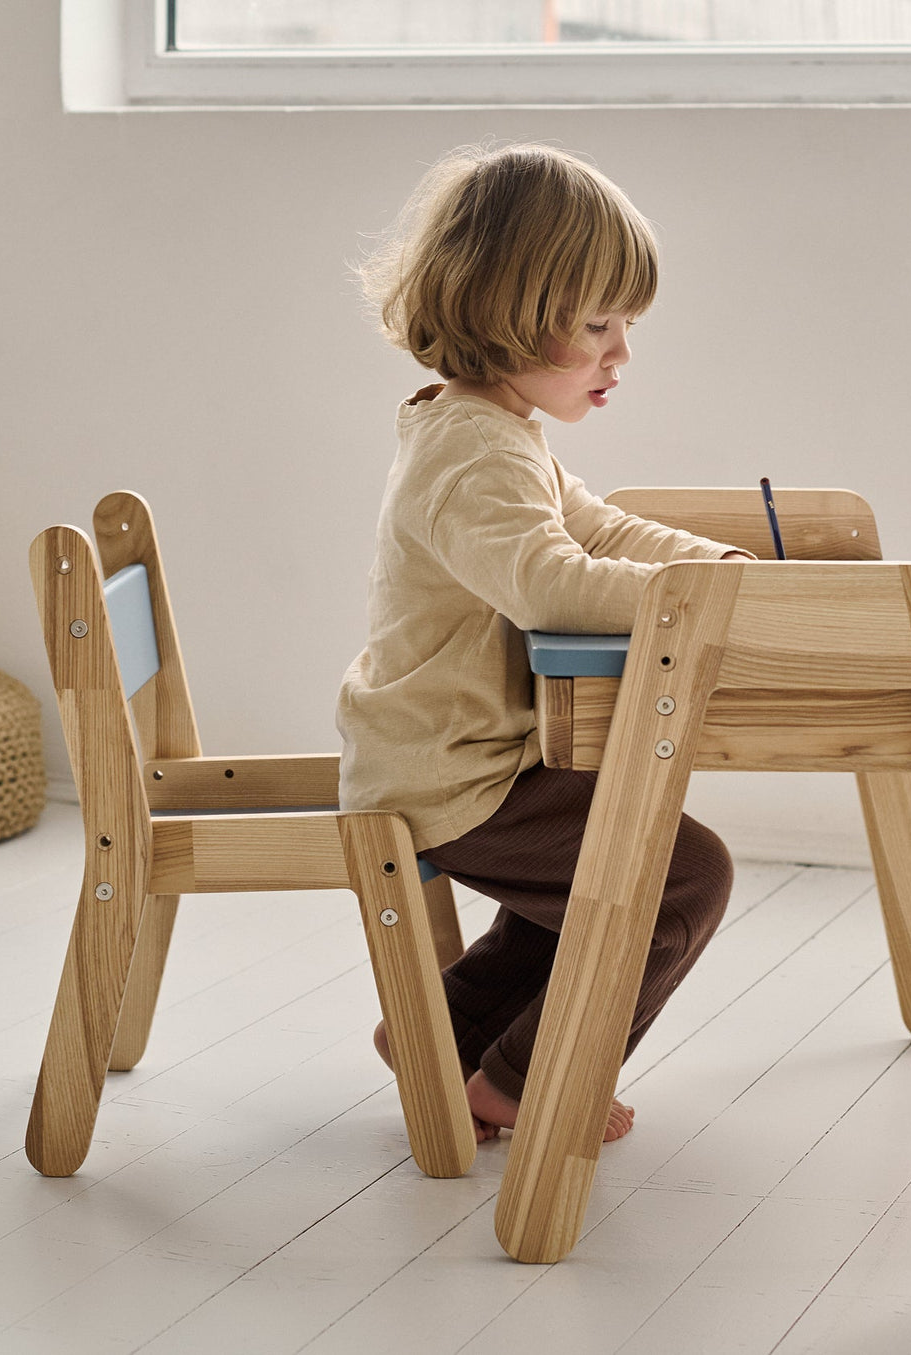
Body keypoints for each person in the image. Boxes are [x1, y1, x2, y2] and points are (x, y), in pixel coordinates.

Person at [337, 143, 751, 1145]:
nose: (620, 354)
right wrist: (692, 602)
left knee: (615, 856)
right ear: (507, 312)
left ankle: (449, 1028)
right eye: (596, 325)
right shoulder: (473, 447)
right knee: (672, 877)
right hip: (450, 778)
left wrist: (718, 569)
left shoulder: (493, 427)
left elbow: (598, 530)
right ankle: (529, 1082)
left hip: (463, 761)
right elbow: (551, 580)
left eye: (627, 327)